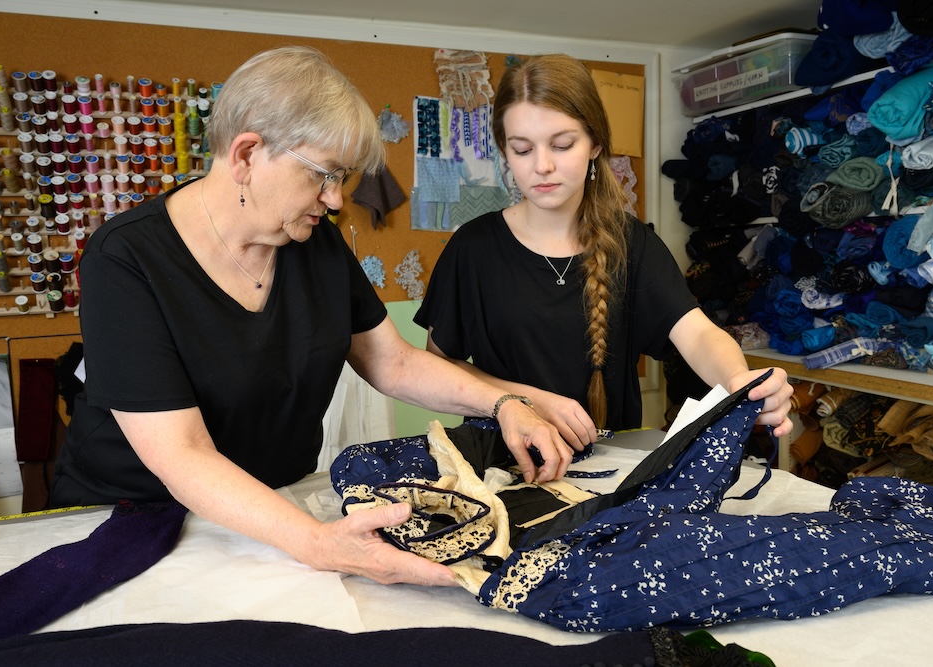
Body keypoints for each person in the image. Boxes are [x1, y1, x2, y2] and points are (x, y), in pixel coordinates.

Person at [50, 46, 576, 587]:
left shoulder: (315, 244)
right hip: (130, 521)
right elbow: (181, 454)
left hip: (278, 509)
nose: (334, 199)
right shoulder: (126, 259)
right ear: (247, 154)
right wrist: (316, 543)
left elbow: (393, 364)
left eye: (342, 179)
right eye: (323, 176)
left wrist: (507, 401)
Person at [415, 53, 794, 449]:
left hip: (607, 472)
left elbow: (698, 334)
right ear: (504, 151)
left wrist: (738, 380)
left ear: (594, 143)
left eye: (562, 145)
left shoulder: (632, 244)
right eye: (523, 150)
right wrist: (525, 403)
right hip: (500, 466)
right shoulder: (472, 250)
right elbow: (440, 367)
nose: (542, 166)